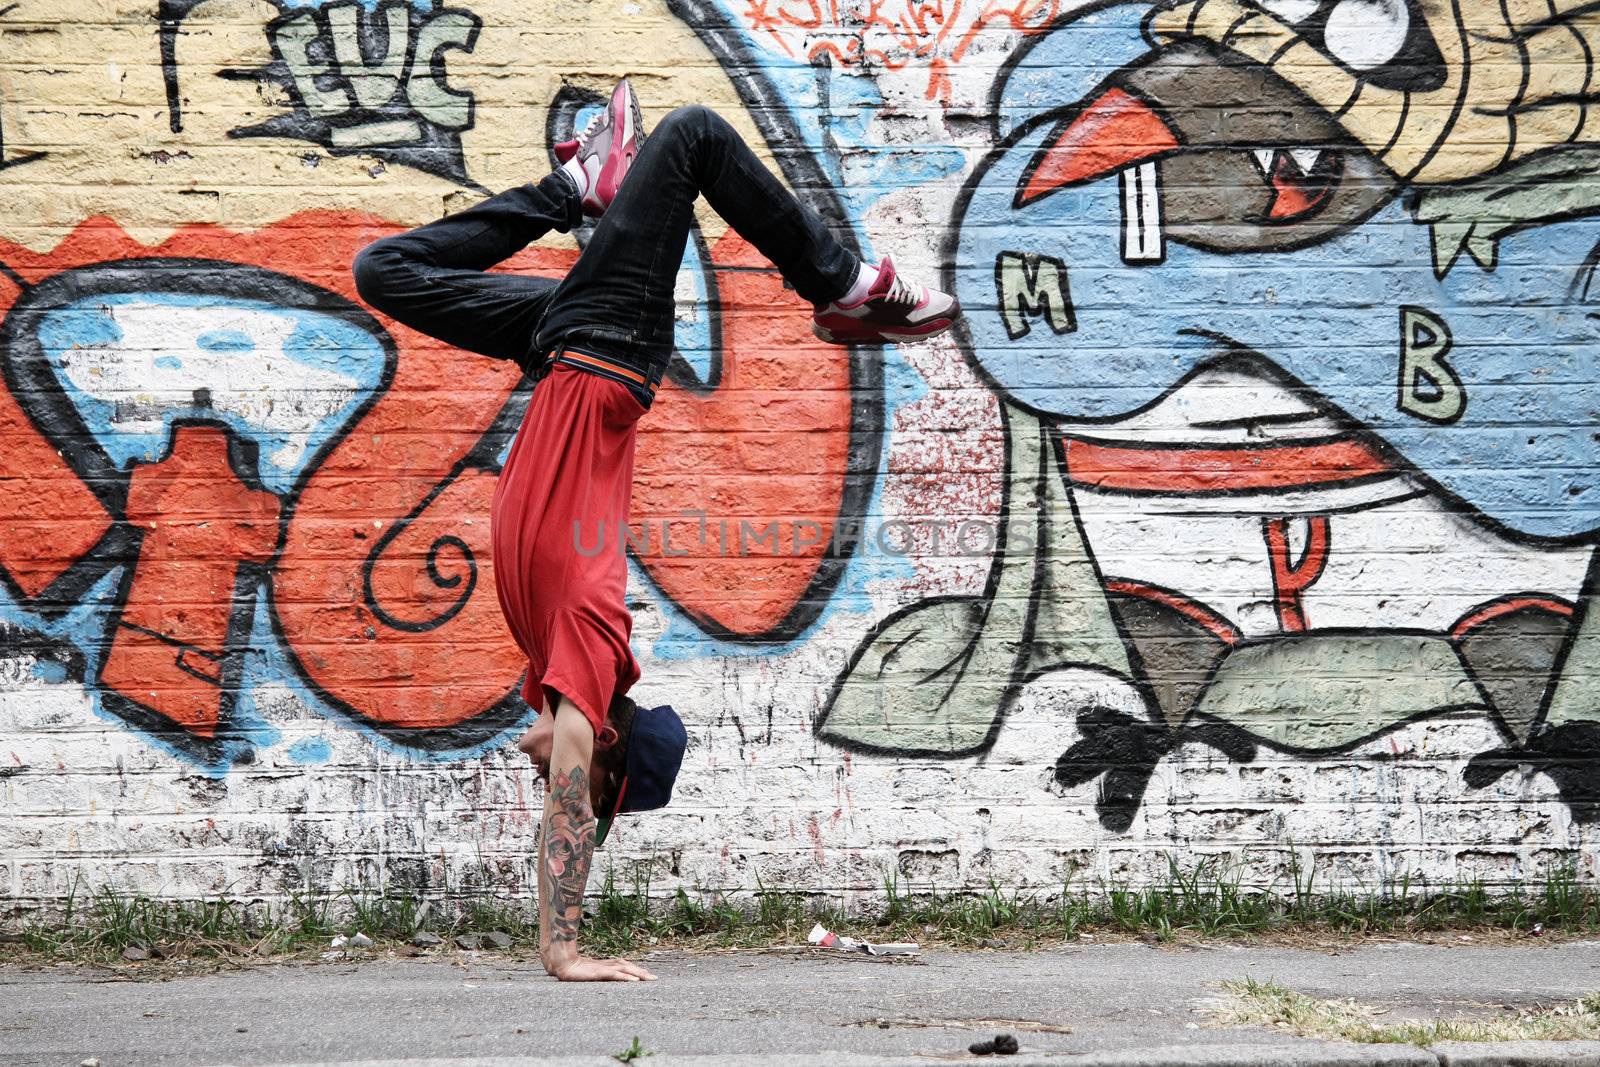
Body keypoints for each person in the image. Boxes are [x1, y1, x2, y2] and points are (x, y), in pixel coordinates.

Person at [351, 79, 961, 982]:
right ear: (600, 746)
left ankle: (573, 194)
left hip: (560, 346)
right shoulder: (592, 654)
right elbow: (568, 784)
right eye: (591, 787)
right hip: (610, 340)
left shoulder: (546, 659)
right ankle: (843, 285)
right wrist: (562, 947)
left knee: (381, 272)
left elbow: (566, 768)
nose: (548, 776)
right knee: (694, 136)